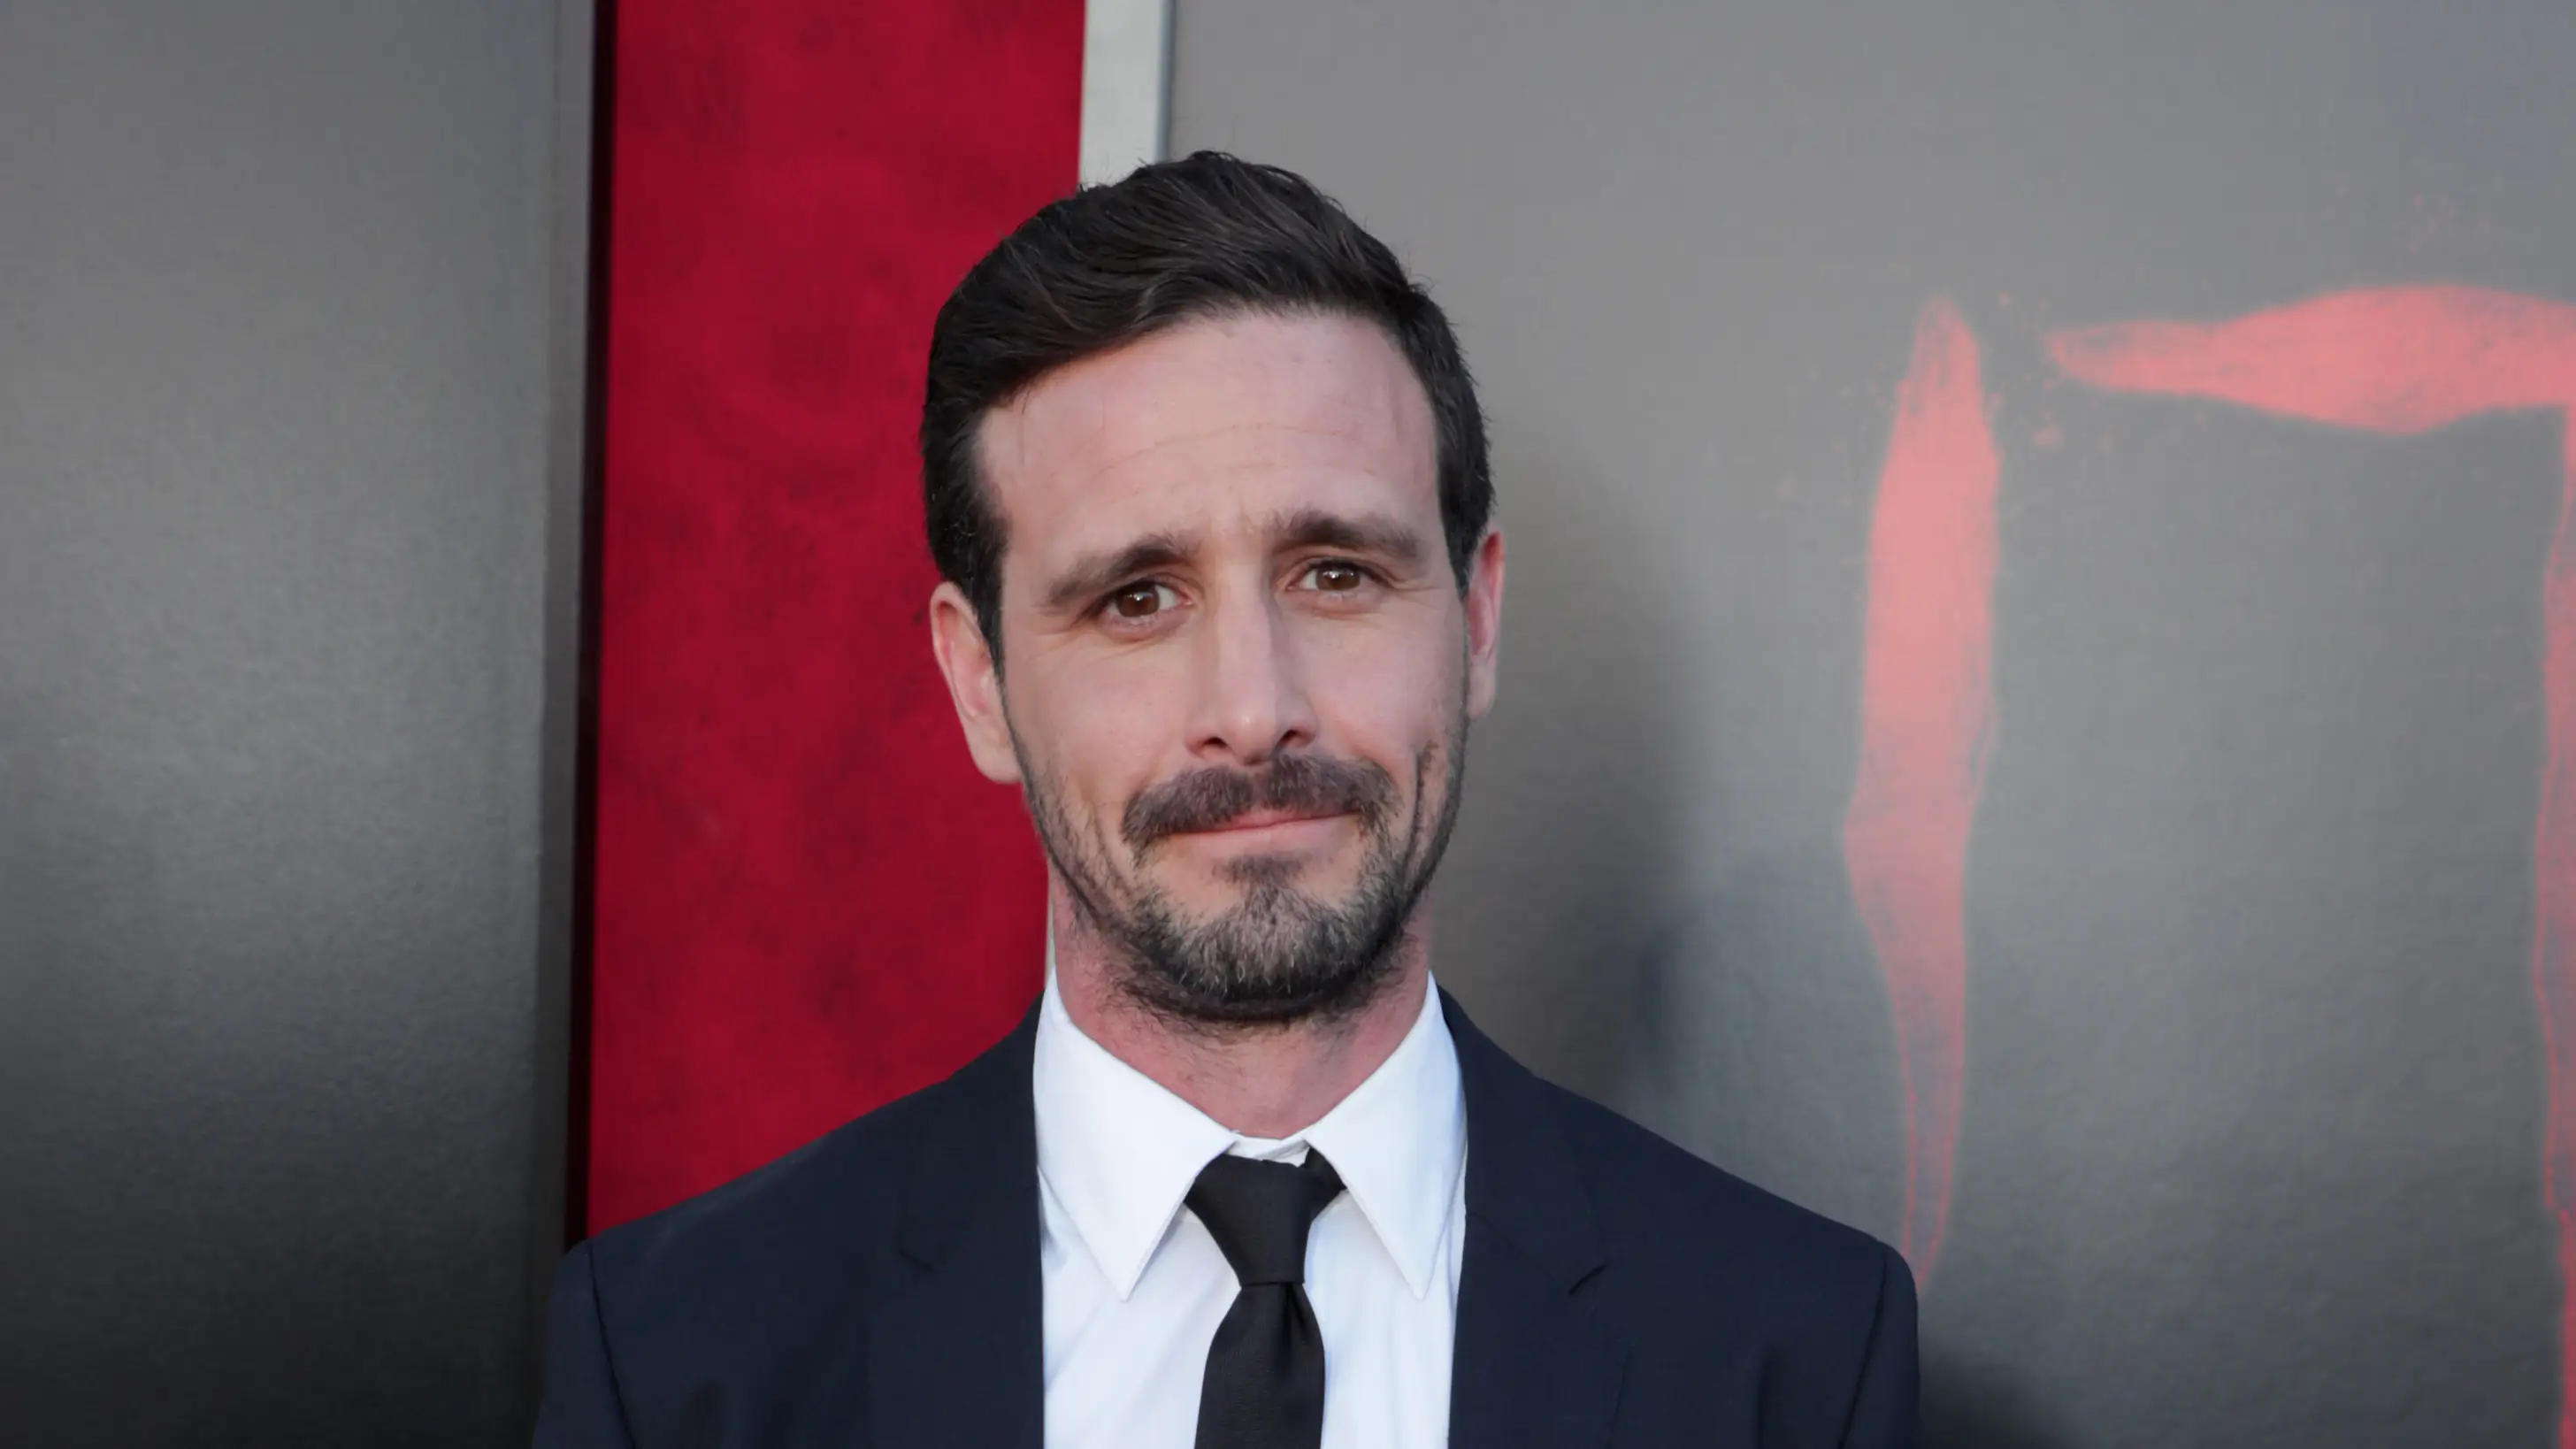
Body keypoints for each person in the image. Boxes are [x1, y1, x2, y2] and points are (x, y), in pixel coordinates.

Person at [533, 151, 1916, 1449]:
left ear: (1478, 618)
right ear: (977, 680)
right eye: (1136, 599)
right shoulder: (675, 1362)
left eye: (1337, 573)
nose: (1254, 709)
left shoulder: (1796, 1355)